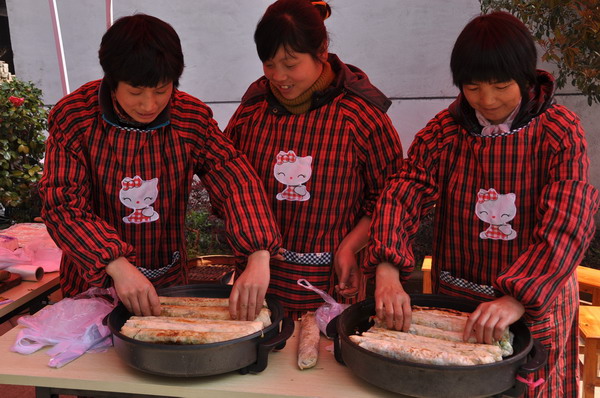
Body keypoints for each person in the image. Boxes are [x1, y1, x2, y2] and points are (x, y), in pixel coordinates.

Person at [367, 11, 599, 397]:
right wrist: (388, 266)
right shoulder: (444, 131)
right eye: (473, 88)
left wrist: (517, 297)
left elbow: (568, 221)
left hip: (532, 305)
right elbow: (402, 193)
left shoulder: (560, 132)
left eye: (501, 86)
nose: (487, 101)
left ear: (526, 77)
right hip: (455, 304)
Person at [38, 14, 281, 321]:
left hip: (169, 286)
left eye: (161, 90)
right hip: (93, 288)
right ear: (113, 81)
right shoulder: (74, 117)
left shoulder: (190, 118)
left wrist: (258, 252)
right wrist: (115, 264)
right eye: (136, 93)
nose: (149, 105)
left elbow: (235, 179)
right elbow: (62, 205)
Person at [225, 0, 403, 317]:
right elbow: (227, 186)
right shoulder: (252, 112)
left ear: (321, 51)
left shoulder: (361, 116)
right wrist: (255, 249)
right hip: (259, 284)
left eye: (290, 64)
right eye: (268, 64)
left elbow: (389, 198)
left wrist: (352, 246)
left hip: (333, 283)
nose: (278, 76)